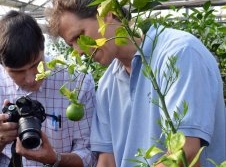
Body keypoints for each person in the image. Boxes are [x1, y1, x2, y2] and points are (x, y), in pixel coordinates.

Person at [45, 0, 226, 167]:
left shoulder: (179, 53)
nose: (79, 50)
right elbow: (107, 160)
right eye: (72, 45)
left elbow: (185, 152)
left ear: (106, 12)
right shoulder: (108, 84)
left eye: (79, 36)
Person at [0, 10, 96, 167]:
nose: (31, 78)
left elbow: (91, 155)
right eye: (17, 72)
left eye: (35, 65)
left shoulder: (77, 82)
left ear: (43, 47)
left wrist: (55, 159)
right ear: (2, 66)